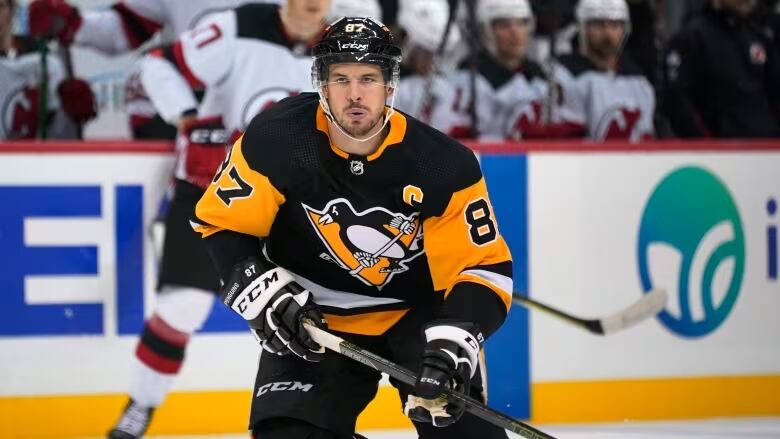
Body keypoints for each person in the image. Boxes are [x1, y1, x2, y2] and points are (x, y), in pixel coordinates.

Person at [191, 17, 513, 439]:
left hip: (417, 315)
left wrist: (455, 337)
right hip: (313, 318)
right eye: (340, 78)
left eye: (368, 78)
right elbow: (219, 224)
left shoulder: (443, 165)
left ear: (390, 86)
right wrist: (251, 278)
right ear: (322, 85)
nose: (355, 94)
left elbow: (484, 268)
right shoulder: (279, 139)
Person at [103, 1, 331, 438]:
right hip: (214, 189)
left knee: (311, 317)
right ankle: (140, 407)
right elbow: (158, 67)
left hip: (294, 203)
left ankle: (309, 420)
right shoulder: (237, 26)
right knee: (182, 306)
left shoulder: (341, 47)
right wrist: (189, 122)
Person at [26, 0, 269, 139]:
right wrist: (75, 25)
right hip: (202, 108)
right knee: (147, 78)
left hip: (272, 102)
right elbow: (126, 27)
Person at [664, 0, 780, 137]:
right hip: (720, 150)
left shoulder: (759, 37)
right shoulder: (691, 38)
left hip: (767, 149)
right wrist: (708, 146)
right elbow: (678, 102)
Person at [552, 0, 655, 141]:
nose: (608, 32)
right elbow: (567, 141)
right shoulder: (564, 75)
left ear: (625, 29)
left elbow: (646, 140)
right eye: (599, 24)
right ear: (583, 27)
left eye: (615, 25)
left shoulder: (640, 82)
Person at [0, 0, 95, 139]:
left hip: (29, 157)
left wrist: (71, 114)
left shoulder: (41, 57)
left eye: (0, 7)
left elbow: (62, 136)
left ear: (11, 10)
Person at [394, 0, 467, 135]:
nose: (430, 60)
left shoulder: (446, 87)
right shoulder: (393, 84)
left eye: (434, 53)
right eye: (424, 52)